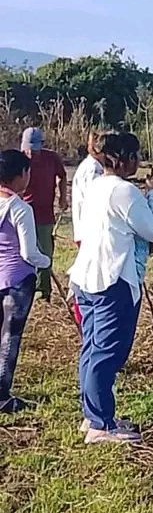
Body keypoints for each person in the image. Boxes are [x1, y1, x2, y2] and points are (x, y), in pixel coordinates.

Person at [68, 132, 153, 444]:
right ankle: (100, 426)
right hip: (113, 281)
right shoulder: (125, 192)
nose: (138, 161)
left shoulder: (96, 186)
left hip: (87, 278)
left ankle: (94, 415)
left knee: (92, 349)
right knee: (108, 353)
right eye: (135, 155)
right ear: (123, 159)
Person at [0, 150, 51, 414]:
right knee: (10, 337)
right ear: (21, 175)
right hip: (18, 280)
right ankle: (2, 394)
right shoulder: (20, 208)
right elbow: (28, 253)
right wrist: (45, 262)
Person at [20, 127, 67, 301]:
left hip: (45, 213)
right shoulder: (19, 160)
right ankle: (24, 287)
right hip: (23, 211)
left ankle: (43, 290)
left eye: (34, 148)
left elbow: (62, 176)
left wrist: (62, 198)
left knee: (45, 251)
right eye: (28, 148)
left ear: (42, 145)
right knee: (23, 252)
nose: (31, 152)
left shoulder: (52, 158)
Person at [69, 131, 106, 324]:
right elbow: (99, 200)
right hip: (89, 230)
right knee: (88, 277)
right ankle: (82, 314)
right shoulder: (93, 170)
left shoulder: (91, 166)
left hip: (85, 228)